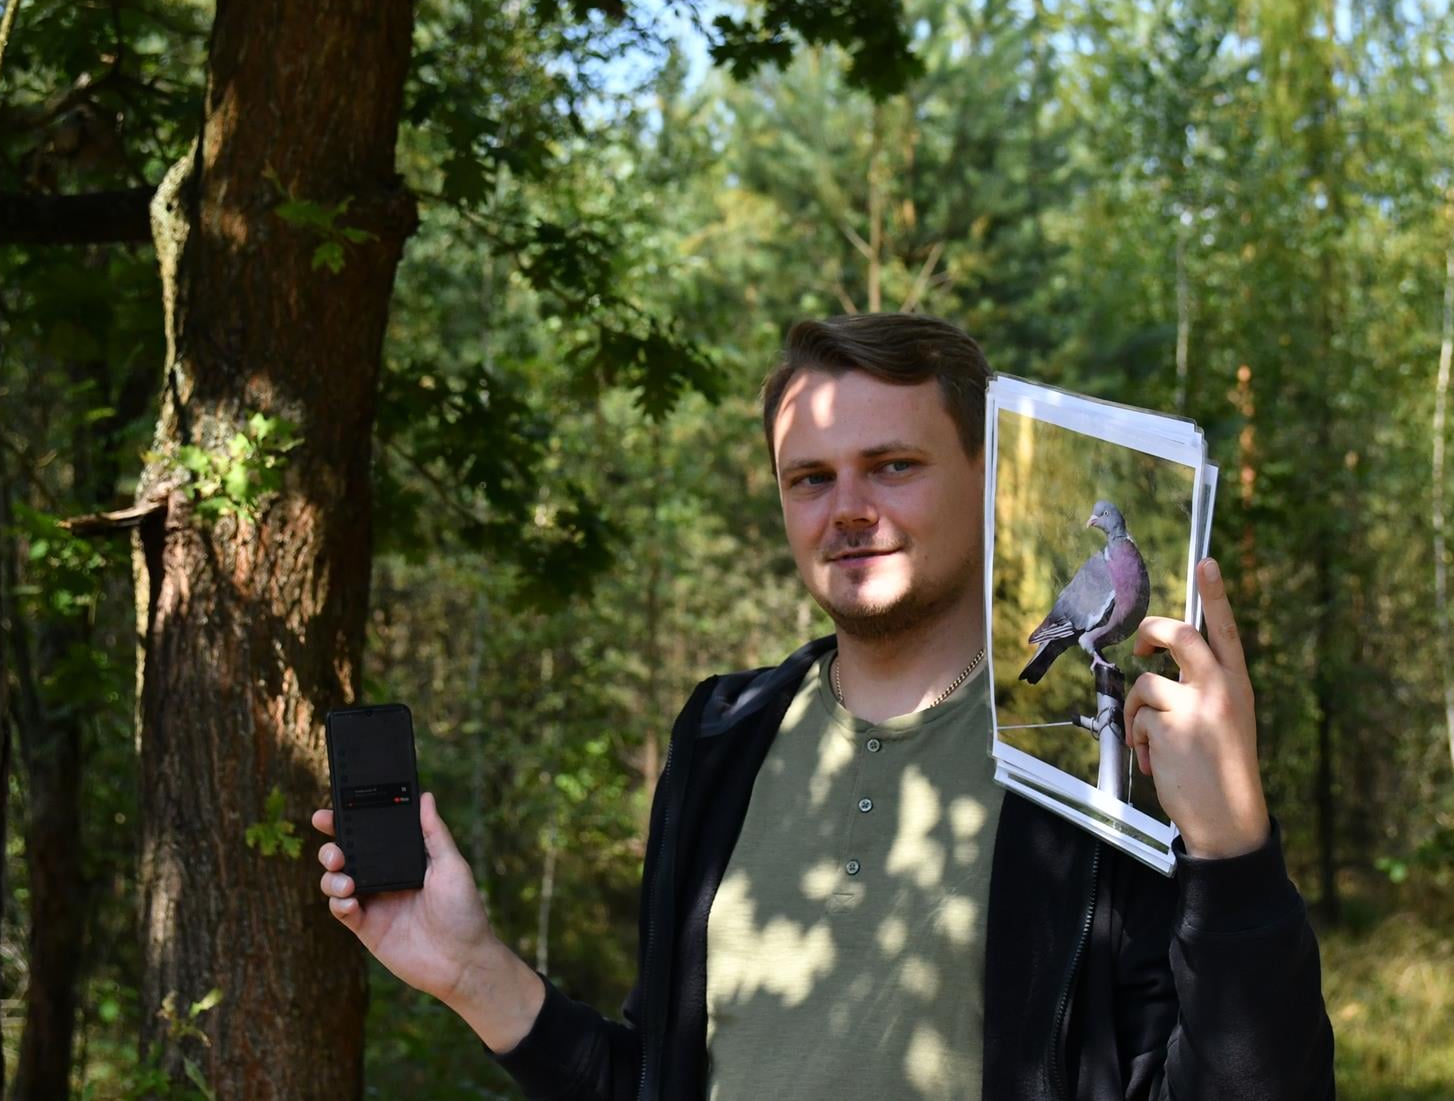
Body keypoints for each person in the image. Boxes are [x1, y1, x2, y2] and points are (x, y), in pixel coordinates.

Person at [312, 313, 1335, 1100]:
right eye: (810, 478)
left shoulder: (1092, 754)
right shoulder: (722, 735)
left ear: (984, 476)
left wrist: (1234, 852)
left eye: (893, 465)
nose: (848, 509)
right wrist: (468, 968)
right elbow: (658, 1080)